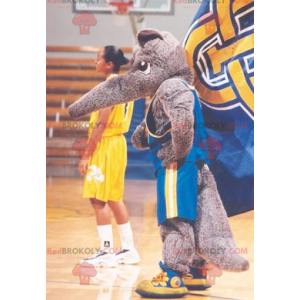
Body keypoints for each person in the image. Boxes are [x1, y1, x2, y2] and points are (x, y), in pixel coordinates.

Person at [78, 46, 140, 267]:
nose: (96, 62)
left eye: (98, 59)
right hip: (118, 143)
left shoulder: (108, 86)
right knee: (114, 197)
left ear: (109, 64)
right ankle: (128, 249)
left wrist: (86, 154)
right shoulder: (124, 86)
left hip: (106, 144)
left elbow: (102, 123)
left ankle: (105, 251)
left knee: (98, 198)